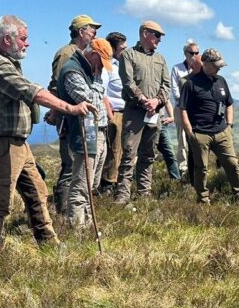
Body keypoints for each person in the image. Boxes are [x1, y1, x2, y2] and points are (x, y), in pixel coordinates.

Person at [0, 14, 95, 254]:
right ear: (7, 39)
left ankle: (48, 244)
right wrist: (70, 108)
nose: (27, 43)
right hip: (2, 145)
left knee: (37, 191)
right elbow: (31, 91)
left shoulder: (5, 60)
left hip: (16, 144)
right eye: (23, 38)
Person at [178, 48, 239, 203]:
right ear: (205, 63)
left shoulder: (221, 81)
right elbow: (182, 108)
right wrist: (190, 132)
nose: (219, 68)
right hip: (200, 133)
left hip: (221, 131)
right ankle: (203, 199)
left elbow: (229, 104)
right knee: (201, 168)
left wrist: (229, 125)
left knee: (232, 163)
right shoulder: (191, 84)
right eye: (216, 66)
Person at [48, 14, 100, 214]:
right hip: (70, 118)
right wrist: (56, 112)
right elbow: (58, 86)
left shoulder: (82, 54)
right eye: (92, 29)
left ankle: (73, 210)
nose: (95, 33)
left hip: (79, 118)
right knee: (71, 165)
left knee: (77, 165)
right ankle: (63, 211)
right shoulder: (66, 54)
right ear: (81, 31)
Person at [58, 38, 113, 226]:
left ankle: (87, 224)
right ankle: (76, 228)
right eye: (101, 62)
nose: (101, 68)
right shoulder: (72, 71)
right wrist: (97, 81)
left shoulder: (87, 71)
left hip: (97, 132)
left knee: (92, 183)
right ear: (93, 55)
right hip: (84, 132)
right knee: (82, 184)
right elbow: (92, 102)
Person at [115, 20, 171, 204]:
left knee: (149, 154)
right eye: (157, 35)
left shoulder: (161, 59)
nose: (159, 40)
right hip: (134, 112)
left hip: (155, 113)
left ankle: (144, 194)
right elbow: (128, 82)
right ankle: (122, 196)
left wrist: (157, 101)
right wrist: (143, 99)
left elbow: (167, 85)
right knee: (129, 154)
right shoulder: (128, 55)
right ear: (145, 33)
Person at [98, 31, 127, 194]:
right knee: (114, 150)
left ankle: (116, 181)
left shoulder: (123, 66)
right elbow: (102, 92)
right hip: (115, 112)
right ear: (113, 49)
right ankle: (107, 183)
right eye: (122, 48)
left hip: (126, 112)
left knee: (123, 150)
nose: (125, 51)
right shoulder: (108, 67)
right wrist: (110, 116)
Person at [170, 39, 200, 177]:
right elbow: (174, 89)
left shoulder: (200, 68)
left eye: (197, 53)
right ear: (185, 53)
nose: (194, 55)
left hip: (196, 109)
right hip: (180, 108)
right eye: (191, 53)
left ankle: (197, 165)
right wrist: (184, 102)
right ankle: (183, 167)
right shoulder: (177, 69)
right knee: (182, 138)